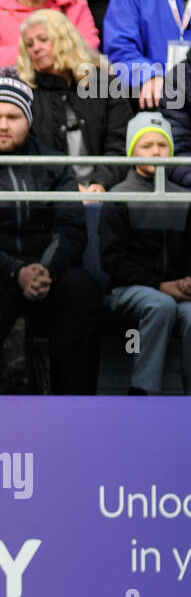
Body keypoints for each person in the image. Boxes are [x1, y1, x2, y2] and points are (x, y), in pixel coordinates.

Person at [0, 75, 103, 396]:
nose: (3, 125)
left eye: (13, 117)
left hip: (45, 268)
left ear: (28, 119)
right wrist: (14, 271)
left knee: (83, 290)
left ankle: (75, 407)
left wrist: (45, 271)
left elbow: (70, 227)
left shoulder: (52, 163)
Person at [100, 112, 191, 395]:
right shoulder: (118, 195)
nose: (156, 152)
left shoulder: (183, 198)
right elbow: (112, 260)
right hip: (129, 290)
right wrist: (162, 286)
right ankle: (142, 394)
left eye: (162, 146)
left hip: (176, 291)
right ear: (131, 151)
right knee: (160, 305)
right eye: (147, 145)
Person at [15, 8, 131, 191]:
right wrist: (68, 187)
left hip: (106, 191)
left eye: (43, 40)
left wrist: (100, 183)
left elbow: (120, 142)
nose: (36, 48)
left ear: (64, 40)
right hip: (51, 195)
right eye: (29, 44)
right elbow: (29, 153)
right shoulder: (26, 93)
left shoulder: (103, 83)